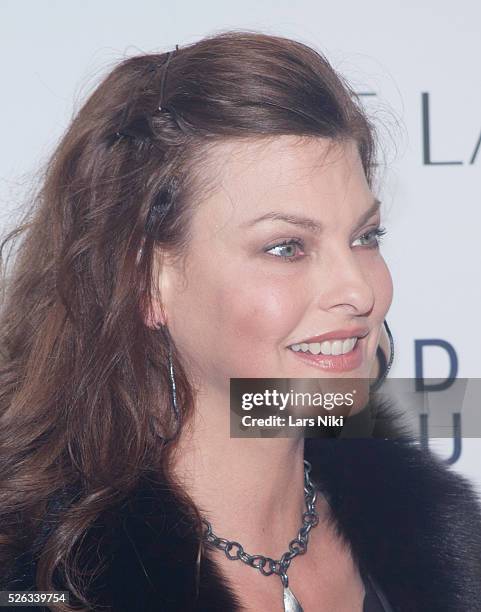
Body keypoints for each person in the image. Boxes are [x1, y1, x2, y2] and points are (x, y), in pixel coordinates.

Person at [1, 30, 480, 612]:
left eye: (364, 237)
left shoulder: (434, 542)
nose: (359, 290)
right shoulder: (42, 582)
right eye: (286, 247)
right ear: (149, 281)